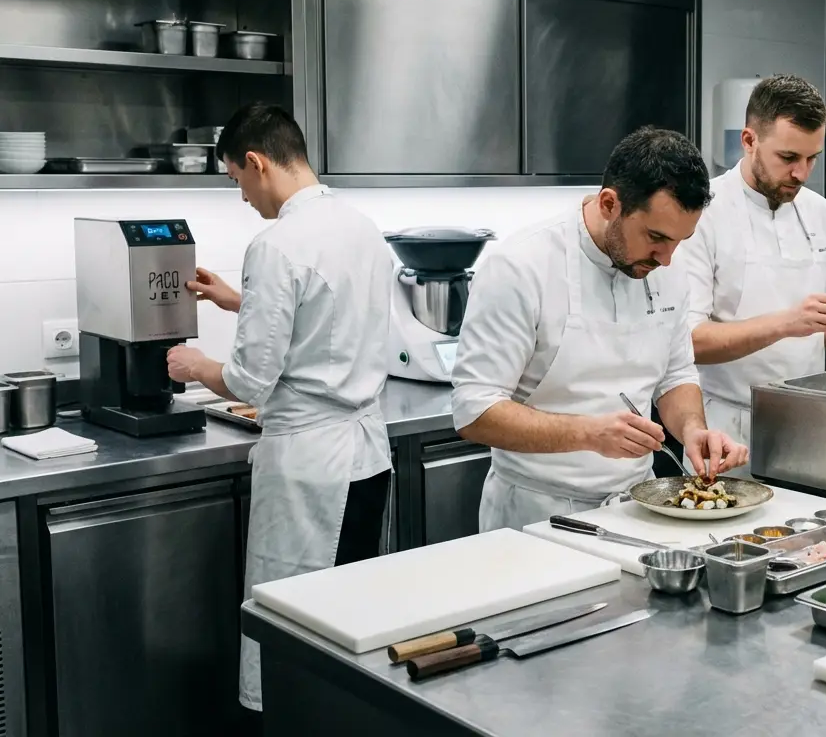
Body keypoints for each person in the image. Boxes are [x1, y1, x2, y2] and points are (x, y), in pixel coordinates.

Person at [163, 103, 394, 720]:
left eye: (237, 180)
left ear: (258, 163)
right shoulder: (360, 226)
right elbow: (328, 319)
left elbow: (249, 381)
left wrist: (194, 367)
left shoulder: (275, 243)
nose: (242, 197)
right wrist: (238, 301)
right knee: (350, 629)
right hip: (367, 459)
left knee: (299, 635)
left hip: (310, 471)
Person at [451, 126, 749, 532]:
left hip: (638, 507)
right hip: (536, 514)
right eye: (655, 238)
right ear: (610, 203)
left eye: (680, 240)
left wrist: (694, 430)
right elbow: (474, 409)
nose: (666, 258)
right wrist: (588, 434)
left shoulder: (669, 269)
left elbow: (675, 376)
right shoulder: (521, 267)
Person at [677, 74, 826, 468]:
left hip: (810, 423)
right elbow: (690, 342)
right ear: (749, 140)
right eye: (788, 158)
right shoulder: (705, 212)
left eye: (812, 159)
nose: (802, 174)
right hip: (730, 432)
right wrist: (787, 323)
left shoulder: (818, 211)